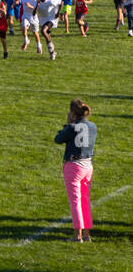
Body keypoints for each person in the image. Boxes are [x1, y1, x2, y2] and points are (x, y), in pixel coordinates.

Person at [54, 99, 96, 242]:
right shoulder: (92, 126)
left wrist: (68, 126)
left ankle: (77, 235)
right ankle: (86, 234)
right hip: (88, 165)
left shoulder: (72, 127)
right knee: (85, 200)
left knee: (75, 201)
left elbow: (58, 139)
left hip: (74, 165)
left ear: (72, 112)